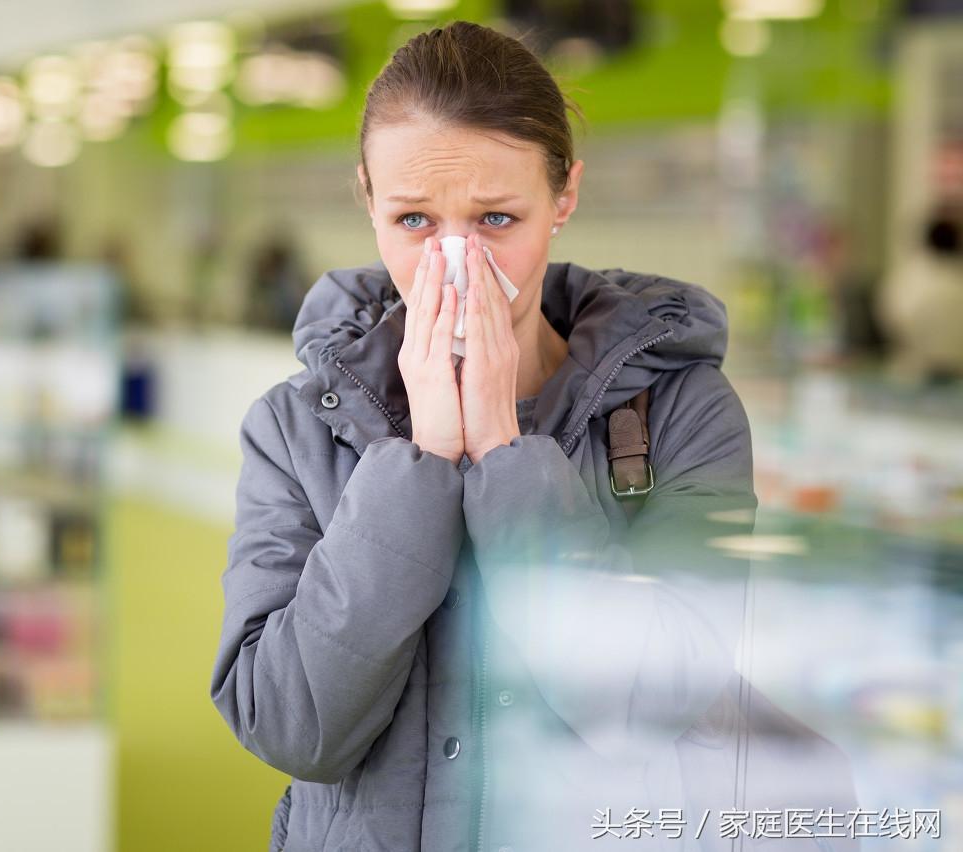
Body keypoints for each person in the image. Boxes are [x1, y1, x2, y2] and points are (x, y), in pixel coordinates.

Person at [211, 20, 853, 851]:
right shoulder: (294, 429)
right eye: (413, 220)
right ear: (367, 198)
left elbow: (650, 705)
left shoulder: (686, 411)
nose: (455, 263)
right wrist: (421, 461)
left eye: (496, 219)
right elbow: (290, 726)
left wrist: (508, 454)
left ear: (566, 197)